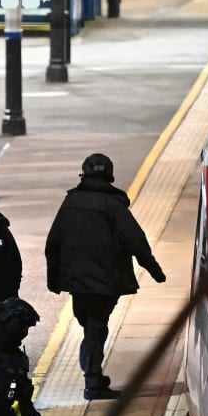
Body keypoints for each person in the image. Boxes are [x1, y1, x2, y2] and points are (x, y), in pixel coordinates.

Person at [44, 153, 166, 400]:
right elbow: (134, 239)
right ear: (109, 175)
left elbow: (53, 242)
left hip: (77, 281)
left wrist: (54, 279)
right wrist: (153, 268)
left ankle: (93, 376)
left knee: (91, 324)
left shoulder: (71, 202)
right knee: (96, 326)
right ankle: (92, 380)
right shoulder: (113, 205)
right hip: (106, 281)